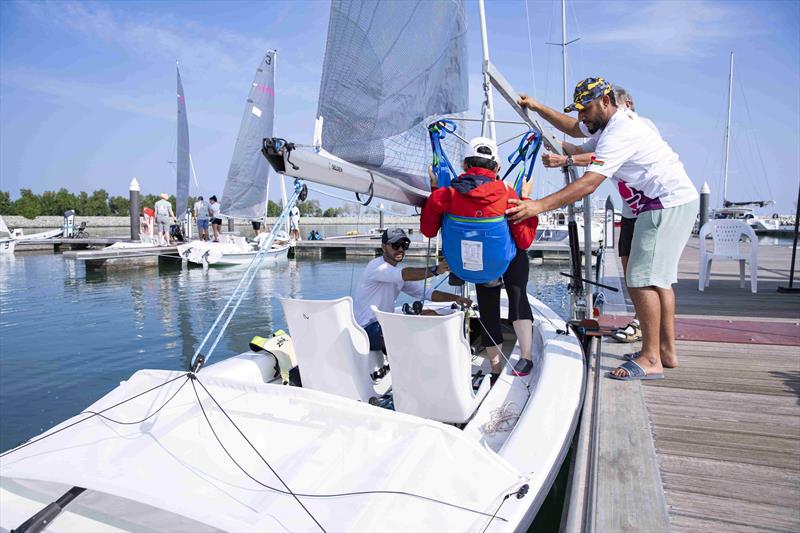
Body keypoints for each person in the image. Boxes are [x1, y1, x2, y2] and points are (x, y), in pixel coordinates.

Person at [511, 77, 699, 381]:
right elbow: (572, 131)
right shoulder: (607, 127)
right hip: (669, 202)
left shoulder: (620, 131)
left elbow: (589, 183)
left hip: (665, 204)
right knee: (659, 280)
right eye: (579, 111)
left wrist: (538, 206)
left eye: (586, 110)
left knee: (640, 279)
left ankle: (650, 359)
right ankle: (666, 352)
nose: (581, 117)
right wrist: (536, 108)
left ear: (606, 101)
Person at [539, 85, 657, 346]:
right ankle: (645, 325)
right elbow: (575, 136)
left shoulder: (636, 126)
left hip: (652, 206)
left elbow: (595, 158)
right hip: (631, 208)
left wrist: (565, 163)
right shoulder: (606, 130)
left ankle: (646, 330)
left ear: (619, 104)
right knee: (630, 269)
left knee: (646, 274)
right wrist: (544, 132)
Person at [420, 137, 539, 381]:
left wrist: (434, 190)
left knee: (487, 303)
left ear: (464, 165)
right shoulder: (507, 193)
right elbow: (525, 240)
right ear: (495, 168)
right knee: (518, 290)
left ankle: (495, 366)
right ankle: (525, 358)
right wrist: (525, 198)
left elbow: (429, 231)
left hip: (472, 265)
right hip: (503, 260)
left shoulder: (446, 194)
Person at [353, 228, 471, 354]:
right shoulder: (377, 267)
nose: (400, 249)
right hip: (367, 330)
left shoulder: (395, 273)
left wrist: (456, 298)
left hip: (384, 324)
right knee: (420, 328)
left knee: (430, 314)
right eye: (395, 245)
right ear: (383, 247)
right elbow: (406, 274)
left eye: (404, 245)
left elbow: (427, 293)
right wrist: (437, 269)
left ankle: (447, 355)